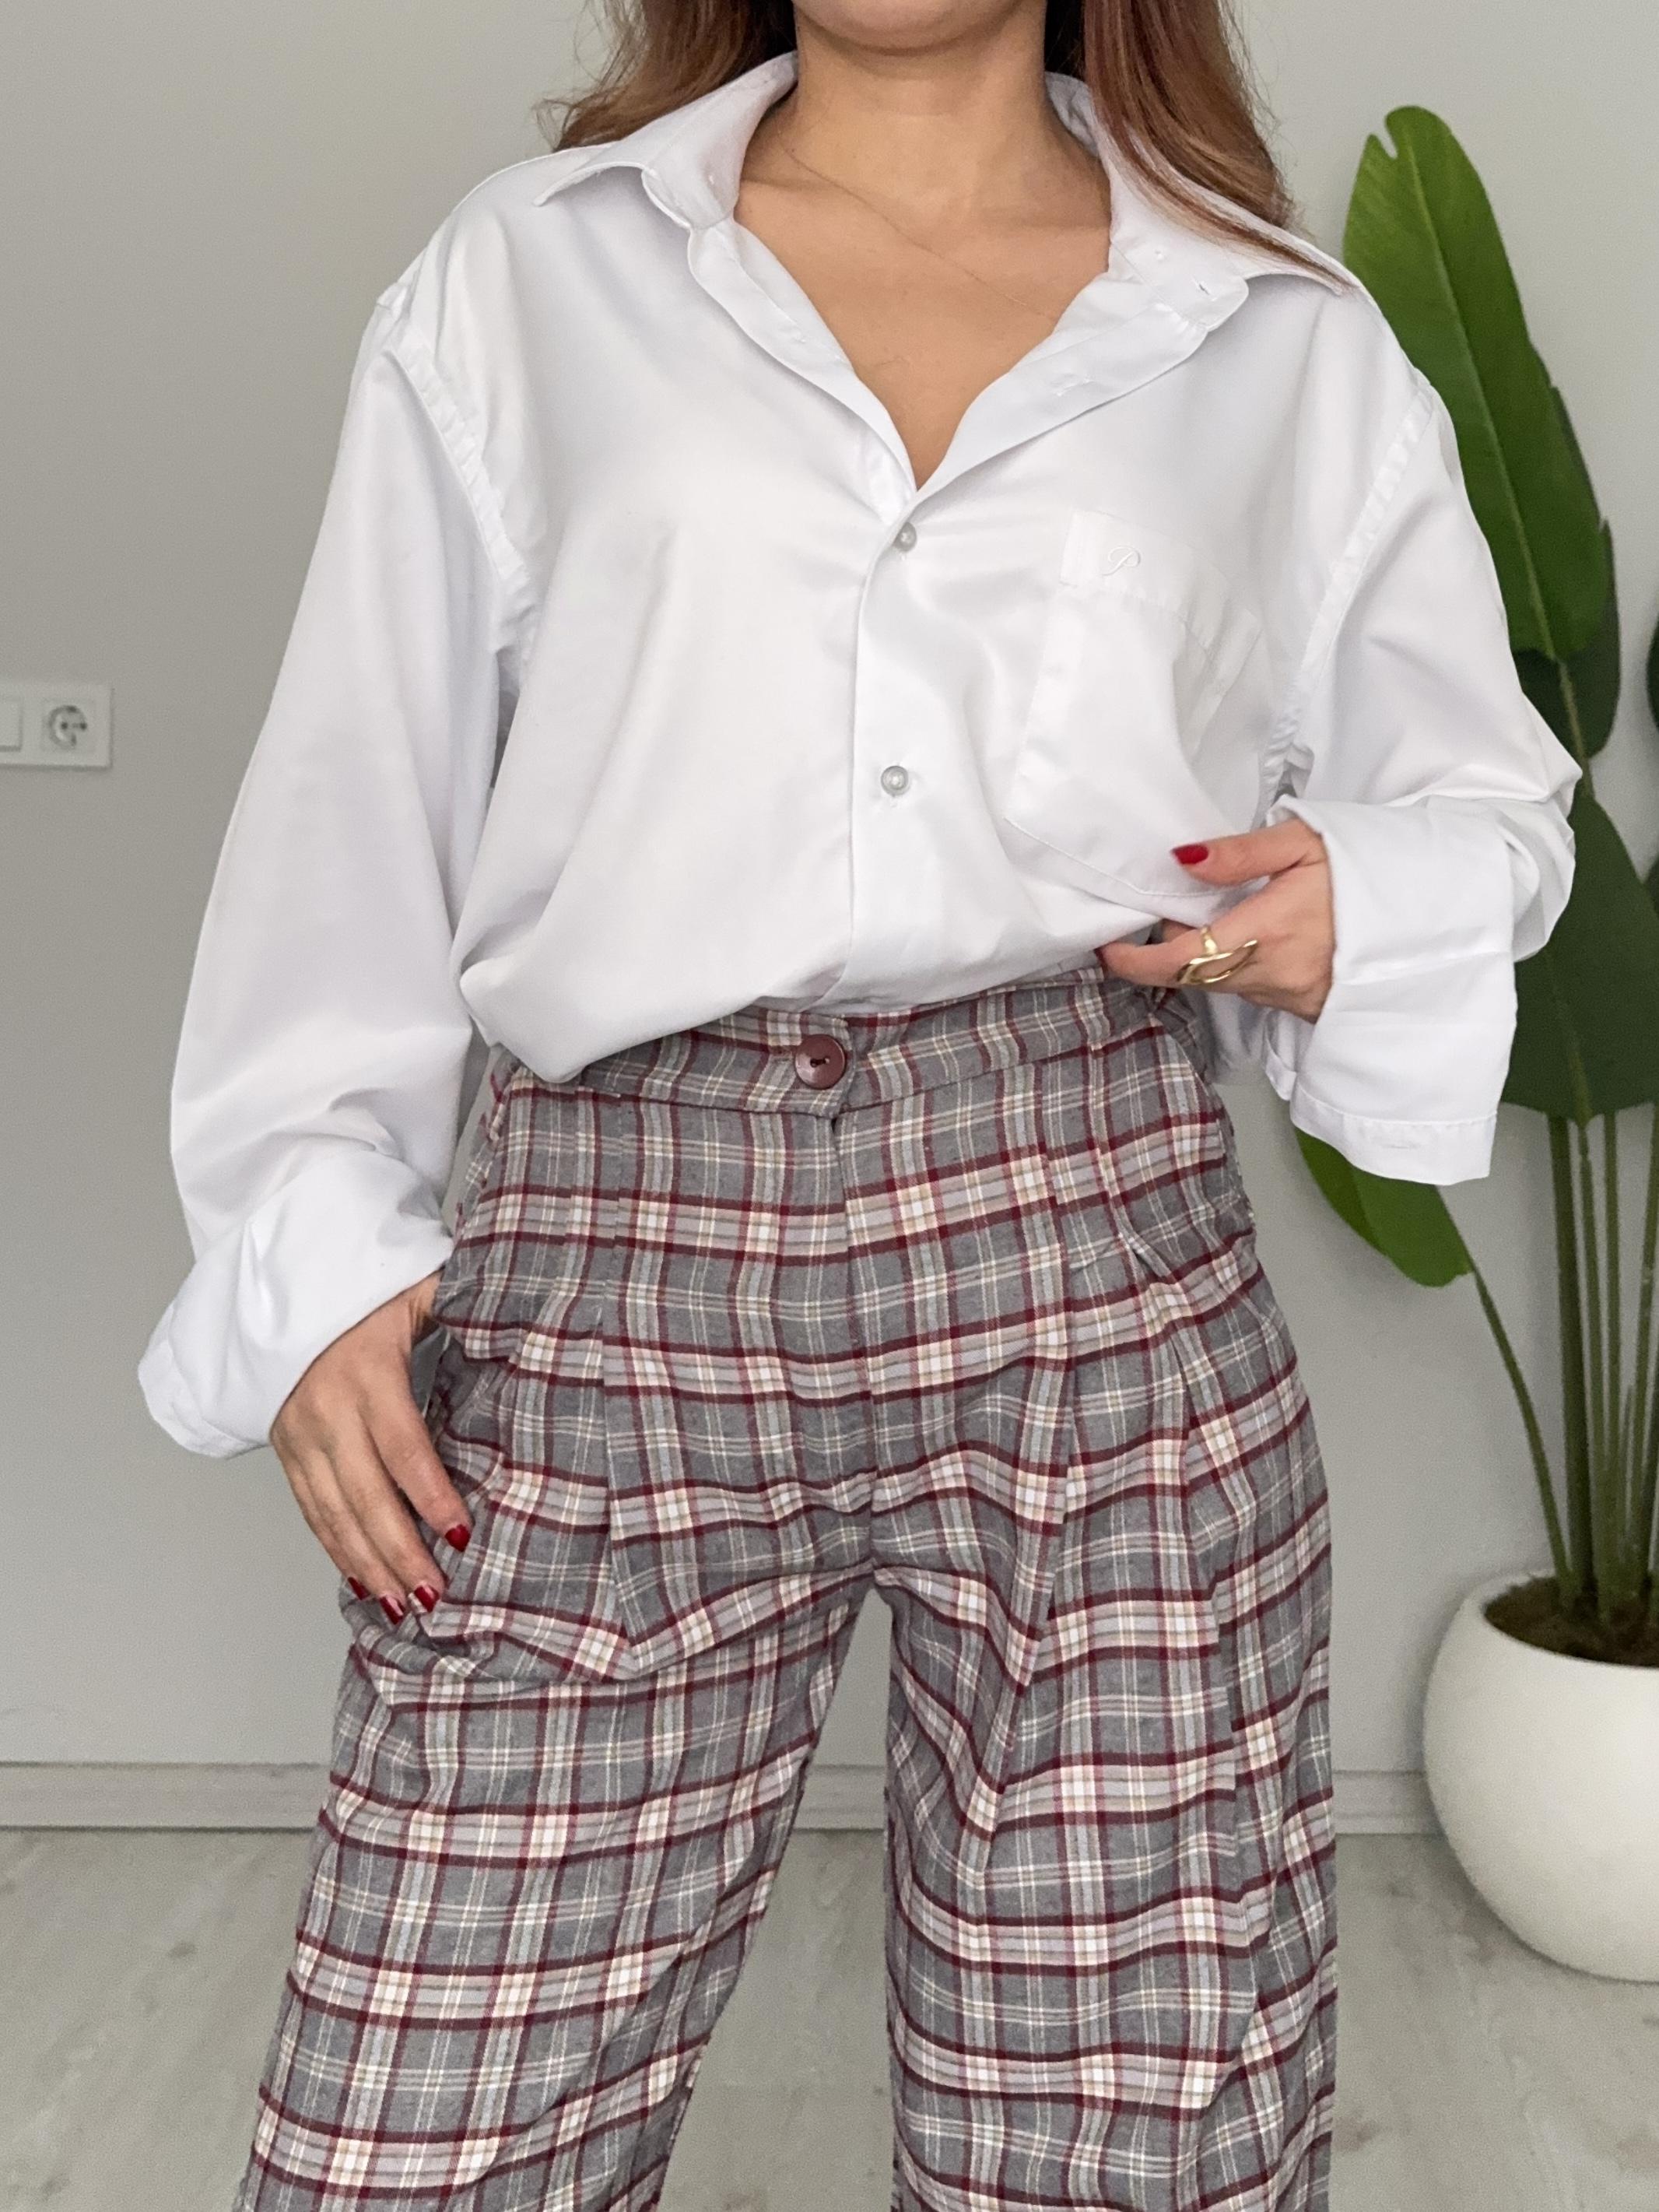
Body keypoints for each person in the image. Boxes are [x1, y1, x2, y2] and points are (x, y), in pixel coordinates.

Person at [139, 2, 1577, 2206]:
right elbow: (361, 783)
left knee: (1128, 2138)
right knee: (422, 2134)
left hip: (1088, 1223)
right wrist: (312, 1238)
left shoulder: (1272, 334)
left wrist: (1355, 900)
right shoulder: (530, 275)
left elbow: (1484, 800)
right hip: (615, 1245)